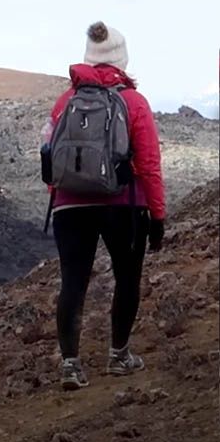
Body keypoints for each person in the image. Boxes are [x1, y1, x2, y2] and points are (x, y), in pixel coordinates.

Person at [43, 22, 166, 391]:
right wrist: (157, 214)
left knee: (73, 283)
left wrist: (60, 195)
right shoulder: (133, 102)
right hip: (123, 205)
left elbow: (50, 155)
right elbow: (148, 163)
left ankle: (70, 365)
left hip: (69, 207)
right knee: (127, 278)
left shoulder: (65, 101)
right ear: (121, 58)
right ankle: (119, 355)